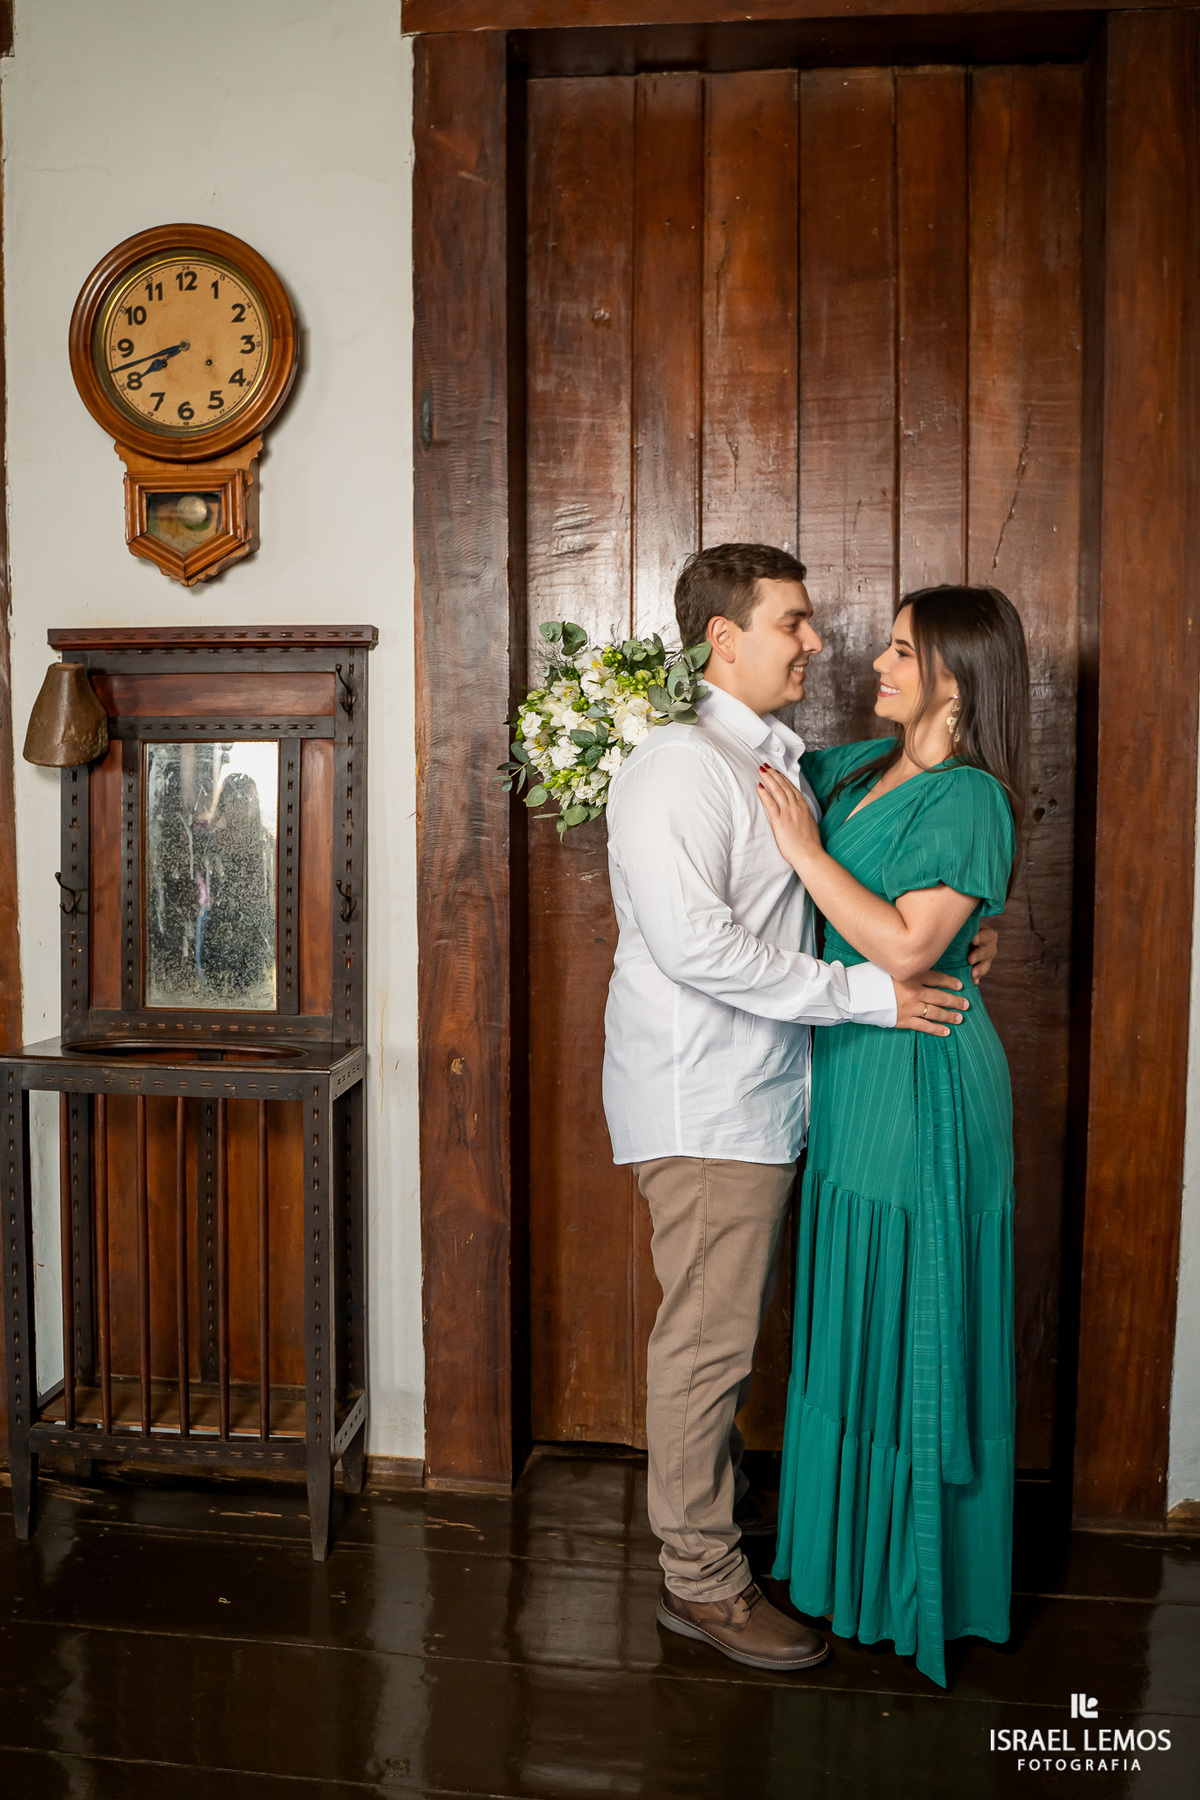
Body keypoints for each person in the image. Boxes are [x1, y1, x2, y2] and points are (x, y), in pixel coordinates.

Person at [602, 544, 999, 1673]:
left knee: (721, 1343)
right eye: (796, 622)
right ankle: (702, 1584)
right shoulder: (681, 766)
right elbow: (696, 948)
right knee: (706, 1349)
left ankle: (713, 1540)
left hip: (771, 1096)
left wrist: (954, 928)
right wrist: (871, 993)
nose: (820, 643)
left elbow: (910, 858)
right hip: (708, 1099)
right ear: (724, 639)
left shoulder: (785, 762)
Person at [757, 583, 1029, 1687]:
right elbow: (756, 765)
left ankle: (917, 1579)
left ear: (957, 680)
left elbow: (912, 950)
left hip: (928, 1076)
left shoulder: (973, 797)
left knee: (912, 1307)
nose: (877, 660)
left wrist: (807, 859)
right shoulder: (858, 772)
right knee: (853, 1301)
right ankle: (842, 1571)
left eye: (905, 650)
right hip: (857, 1069)